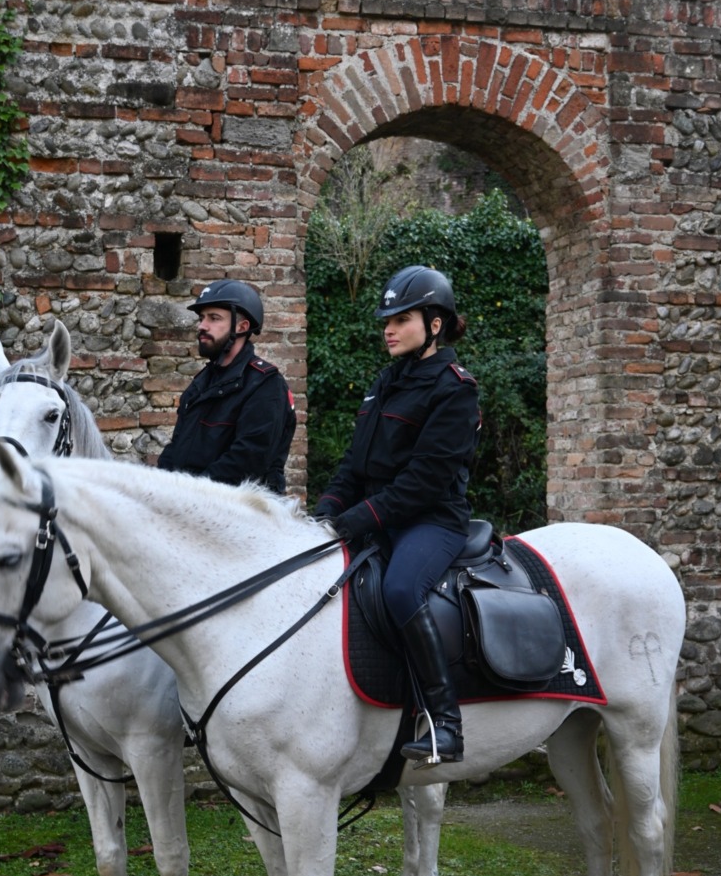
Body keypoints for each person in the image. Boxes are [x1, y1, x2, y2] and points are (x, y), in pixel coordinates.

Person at [313, 265, 481, 763]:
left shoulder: (455, 389)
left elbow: (422, 484)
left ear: (434, 324)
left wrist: (354, 521)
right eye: (386, 320)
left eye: (401, 319)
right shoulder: (385, 382)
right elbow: (353, 466)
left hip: (431, 522)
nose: (388, 328)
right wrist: (323, 516)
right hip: (376, 517)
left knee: (402, 589)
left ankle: (445, 723)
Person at [157, 278, 296, 494]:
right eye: (202, 318)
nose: (202, 326)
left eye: (214, 318)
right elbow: (177, 448)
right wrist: (159, 485)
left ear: (242, 327)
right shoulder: (202, 382)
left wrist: (188, 492)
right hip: (188, 503)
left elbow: (247, 460)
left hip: (241, 508)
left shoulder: (265, 385)